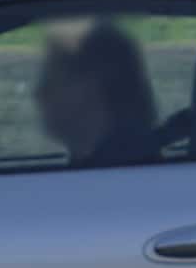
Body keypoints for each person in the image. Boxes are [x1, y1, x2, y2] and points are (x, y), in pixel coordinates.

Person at [30, 17, 160, 165]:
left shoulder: (117, 175)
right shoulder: (118, 163)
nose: (39, 92)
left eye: (53, 79)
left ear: (95, 85)